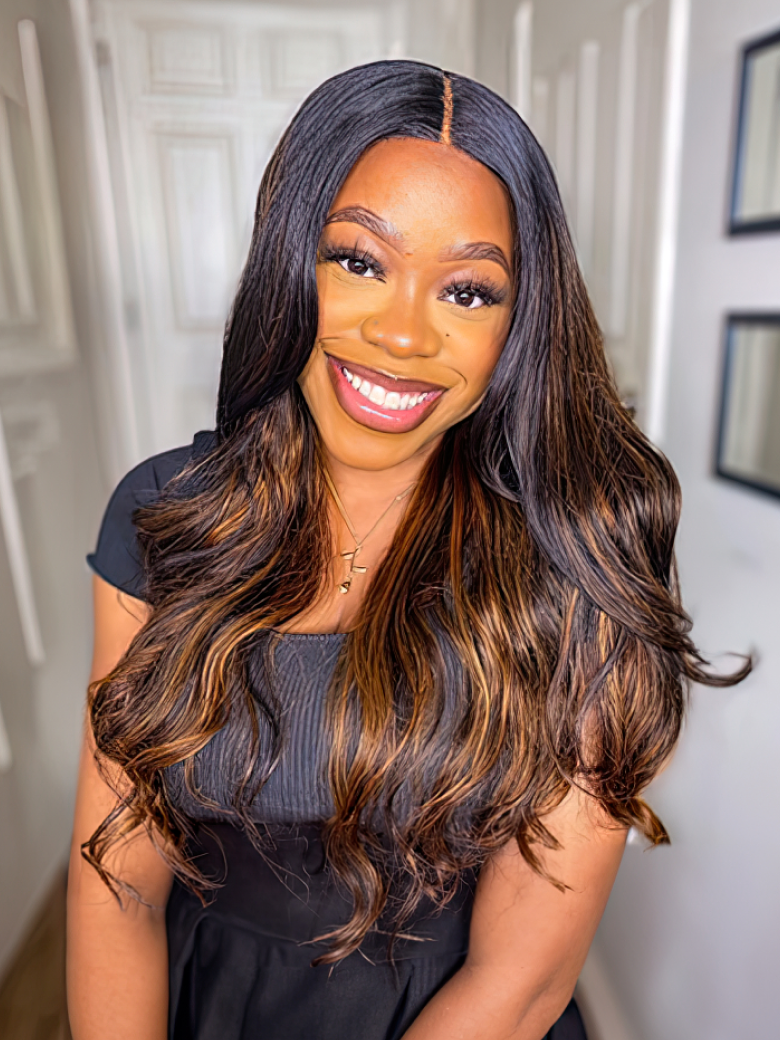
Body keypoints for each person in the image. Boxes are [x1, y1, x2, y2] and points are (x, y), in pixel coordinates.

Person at [66, 60, 747, 1040]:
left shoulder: (581, 557)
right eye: (359, 261)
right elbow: (114, 884)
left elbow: (521, 984)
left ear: (520, 324)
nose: (400, 335)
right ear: (290, 262)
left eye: (467, 290)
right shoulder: (166, 515)